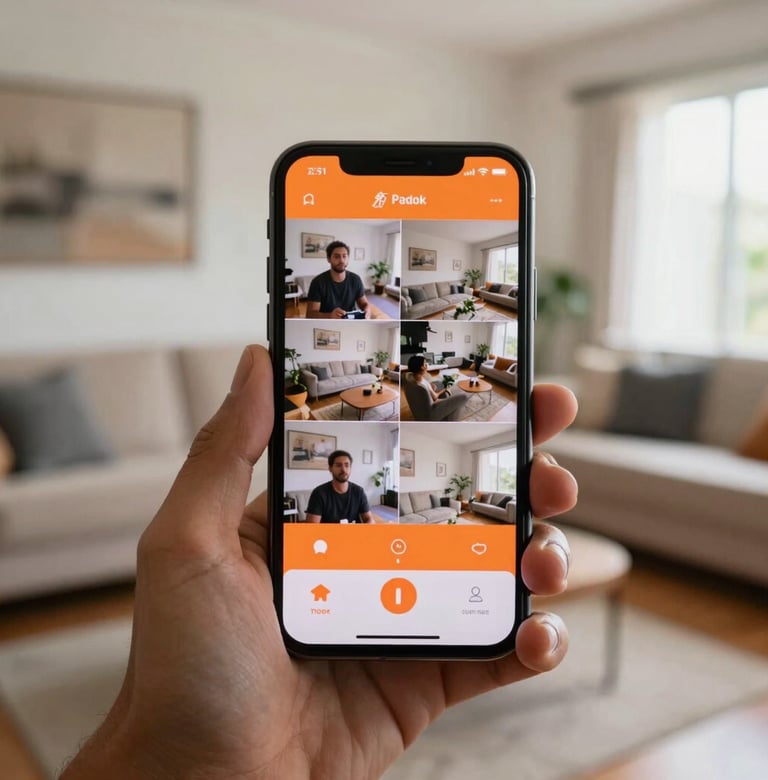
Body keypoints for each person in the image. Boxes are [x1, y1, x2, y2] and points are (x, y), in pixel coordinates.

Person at [62, 345, 578, 780]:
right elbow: (312, 533)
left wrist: (370, 533)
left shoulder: (357, 494)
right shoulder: (317, 495)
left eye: (345, 464)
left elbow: (370, 527)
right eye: (337, 463)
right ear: (330, 466)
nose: (342, 469)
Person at [305, 240, 372, 319]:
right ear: (329, 259)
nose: (341, 260)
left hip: (351, 322)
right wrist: (330, 316)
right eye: (337, 256)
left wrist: (367, 309)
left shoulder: (355, 279)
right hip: (326, 324)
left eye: (344, 256)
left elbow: (364, 303)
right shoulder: (318, 282)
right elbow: (310, 314)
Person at [305, 449, 374, 524]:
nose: (343, 469)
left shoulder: (359, 491)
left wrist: (369, 526)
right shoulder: (319, 493)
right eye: (338, 465)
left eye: (347, 465)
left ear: (350, 468)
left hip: (354, 535)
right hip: (327, 535)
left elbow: (368, 518)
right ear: (330, 468)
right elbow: (312, 527)